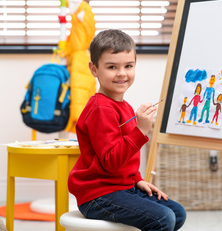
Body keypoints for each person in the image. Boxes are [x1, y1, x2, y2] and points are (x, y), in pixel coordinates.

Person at [68, 29, 187, 231]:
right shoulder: (100, 109)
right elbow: (111, 163)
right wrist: (140, 131)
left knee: (177, 213)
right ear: (94, 69)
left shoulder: (123, 105)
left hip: (120, 187)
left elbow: (124, 160)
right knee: (163, 219)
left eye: (128, 66)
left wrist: (137, 180)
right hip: (98, 194)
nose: (122, 73)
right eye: (112, 67)